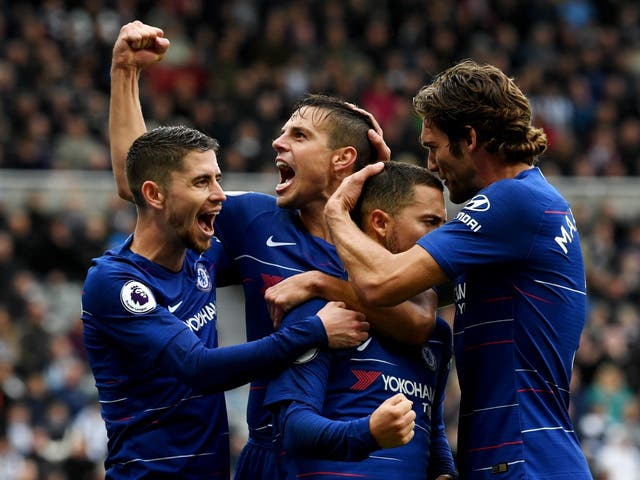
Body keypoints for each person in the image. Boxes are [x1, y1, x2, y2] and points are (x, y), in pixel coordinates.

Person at [108, 21, 433, 480]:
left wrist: (323, 283)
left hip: (361, 459)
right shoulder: (255, 220)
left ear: (343, 159)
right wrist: (125, 73)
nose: (278, 142)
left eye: (299, 136)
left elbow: (420, 323)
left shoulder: (383, 234)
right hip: (271, 455)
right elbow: (141, 186)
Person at [324, 59, 593, 479]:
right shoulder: (531, 207)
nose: (431, 164)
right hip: (520, 456)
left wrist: (337, 211)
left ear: (469, 138)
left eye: (433, 147)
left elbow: (382, 283)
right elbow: (416, 306)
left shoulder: (511, 203)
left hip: (523, 461)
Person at [81, 125, 369, 479]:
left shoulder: (201, 259)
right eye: (202, 182)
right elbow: (197, 368)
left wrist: (368, 179)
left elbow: (297, 254)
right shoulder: (117, 282)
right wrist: (316, 331)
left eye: (218, 179)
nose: (220, 195)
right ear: (155, 195)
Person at [264, 161, 457, 480]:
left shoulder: (437, 334)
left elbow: (430, 429)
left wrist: (444, 474)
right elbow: (293, 428)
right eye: (430, 222)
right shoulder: (320, 310)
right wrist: (368, 432)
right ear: (380, 223)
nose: (444, 237)